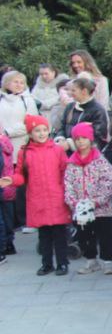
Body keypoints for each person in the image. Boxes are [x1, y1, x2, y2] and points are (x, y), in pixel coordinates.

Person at [6, 115, 69, 273]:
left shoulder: (57, 150)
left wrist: (66, 192)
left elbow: (65, 172)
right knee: (44, 235)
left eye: (44, 130)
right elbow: (21, 175)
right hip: (38, 198)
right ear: (30, 133)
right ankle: (47, 263)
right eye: (37, 131)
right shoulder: (24, 153)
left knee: (59, 233)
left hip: (56, 197)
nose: (41, 134)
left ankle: (62, 263)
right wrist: (12, 180)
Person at [63, 122, 112, 275]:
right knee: (85, 235)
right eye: (77, 139)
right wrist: (73, 201)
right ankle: (91, 260)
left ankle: (108, 261)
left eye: (84, 138)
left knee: (105, 235)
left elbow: (109, 180)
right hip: (81, 208)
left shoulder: (100, 160)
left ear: (90, 139)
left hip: (101, 208)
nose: (80, 142)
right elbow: (68, 183)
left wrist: (98, 200)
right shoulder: (72, 163)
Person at [58, 77, 109, 152]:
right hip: (66, 150)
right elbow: (62, 126)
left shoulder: (97, 110)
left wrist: (70, 144)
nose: (70, 93)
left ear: (84, 91)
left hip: (85, 154)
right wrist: (60, 139)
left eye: (73, 90)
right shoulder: (70, 107)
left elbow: (98, 137)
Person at [0, 71, 40, 150]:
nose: (19, 85)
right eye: (15, 82)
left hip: (21, 144)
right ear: (7, 83)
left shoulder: (28, 100)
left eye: (22, 83)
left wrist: (7, 132)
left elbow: (32, 123)